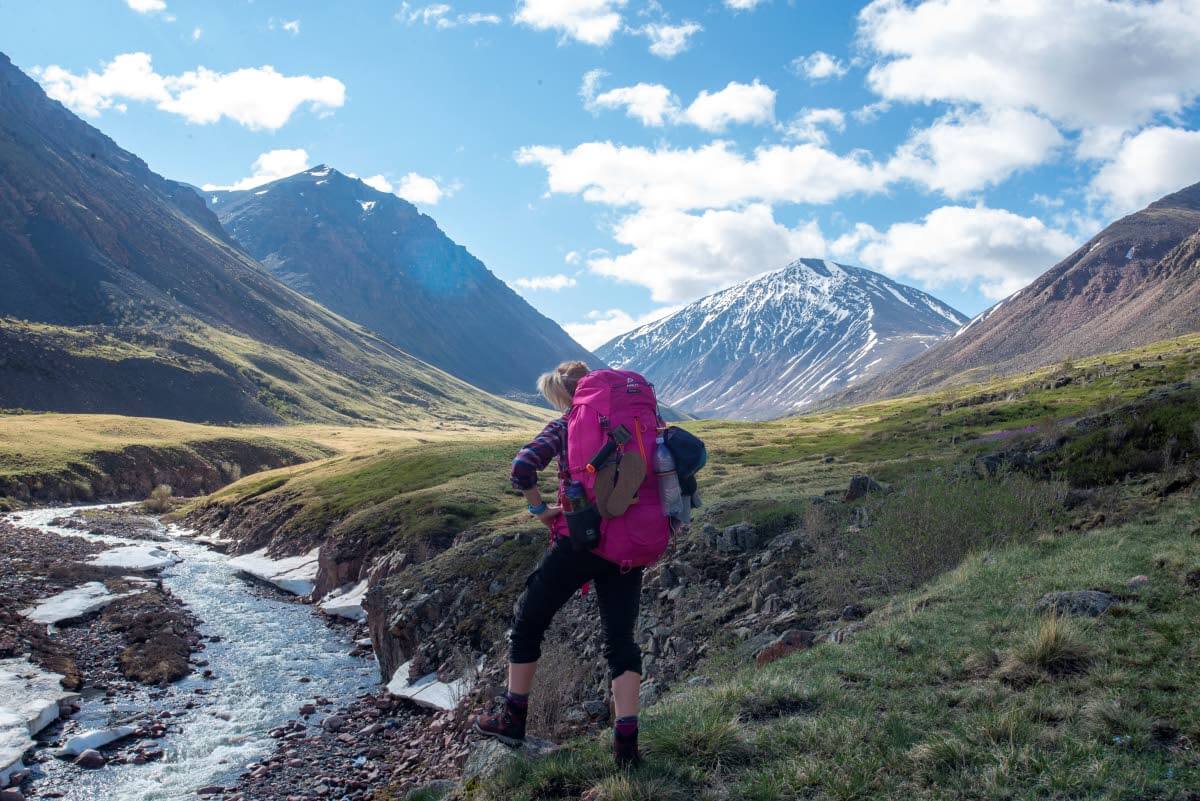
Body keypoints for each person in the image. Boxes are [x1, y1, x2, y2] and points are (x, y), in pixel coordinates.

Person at [473, 360, 645, 768]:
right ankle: (626, 746)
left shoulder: (567, 424)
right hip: (629, 544)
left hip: (580, 542)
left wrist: (539, 509)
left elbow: (523, 466)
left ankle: (512, 718)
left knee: (528, 621)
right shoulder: (635, 424)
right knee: (620, 641)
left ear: (567, 396)